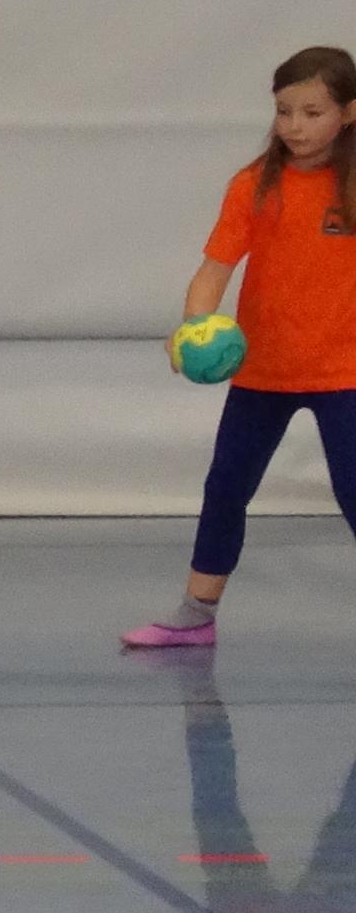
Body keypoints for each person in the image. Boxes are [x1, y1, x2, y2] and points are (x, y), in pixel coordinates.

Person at [123, 45, 356, 650]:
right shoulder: (255, 185)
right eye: (284, 111)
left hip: (346, 373)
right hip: (263, 372)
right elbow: (213, 271)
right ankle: (196, 614)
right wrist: (193, 329)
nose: (295, 126)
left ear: (349, 113)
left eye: (312, 113)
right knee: (226, 487)